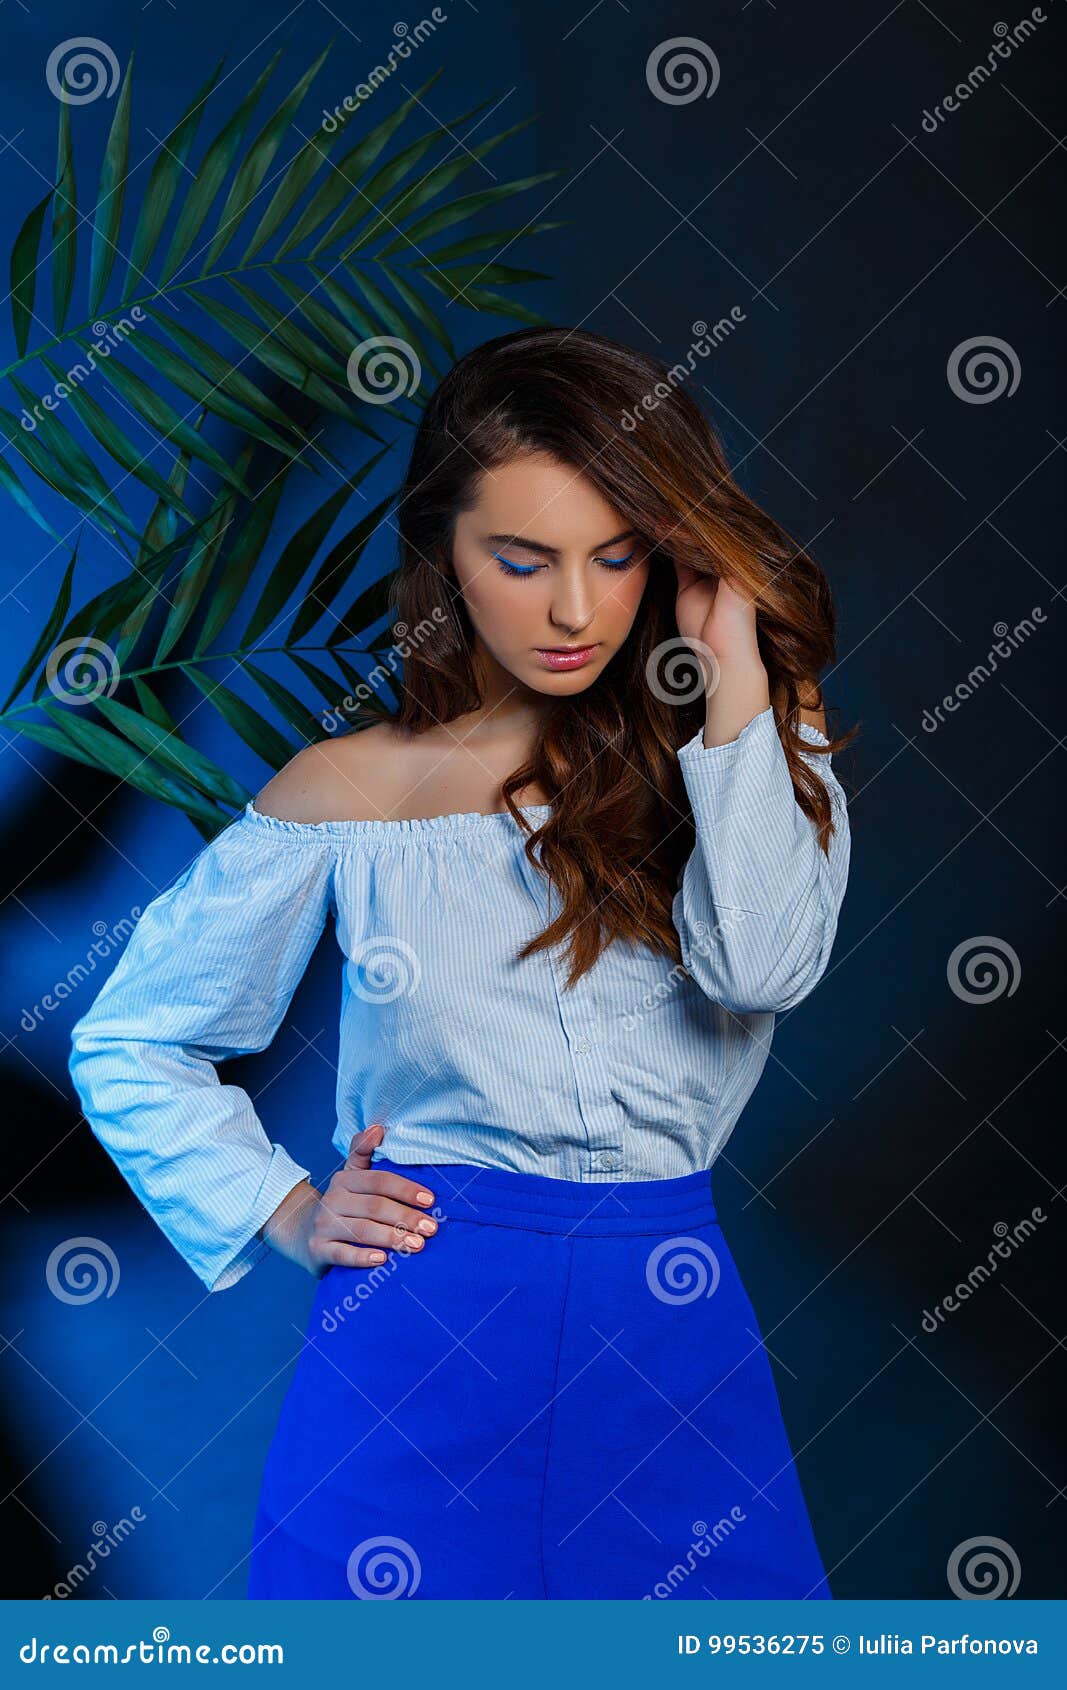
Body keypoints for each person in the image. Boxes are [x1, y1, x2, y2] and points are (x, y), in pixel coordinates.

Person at [69, 326, 853, 1600]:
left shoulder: (748, 754)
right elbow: (130, 1037)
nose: (574, 610)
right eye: (520, 558)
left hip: (664, 1340)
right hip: (416, 1342)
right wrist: (286, 1210)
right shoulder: (348, 791)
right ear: (444, 553)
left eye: (617, 555)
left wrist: (731, 681)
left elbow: (759, 965)